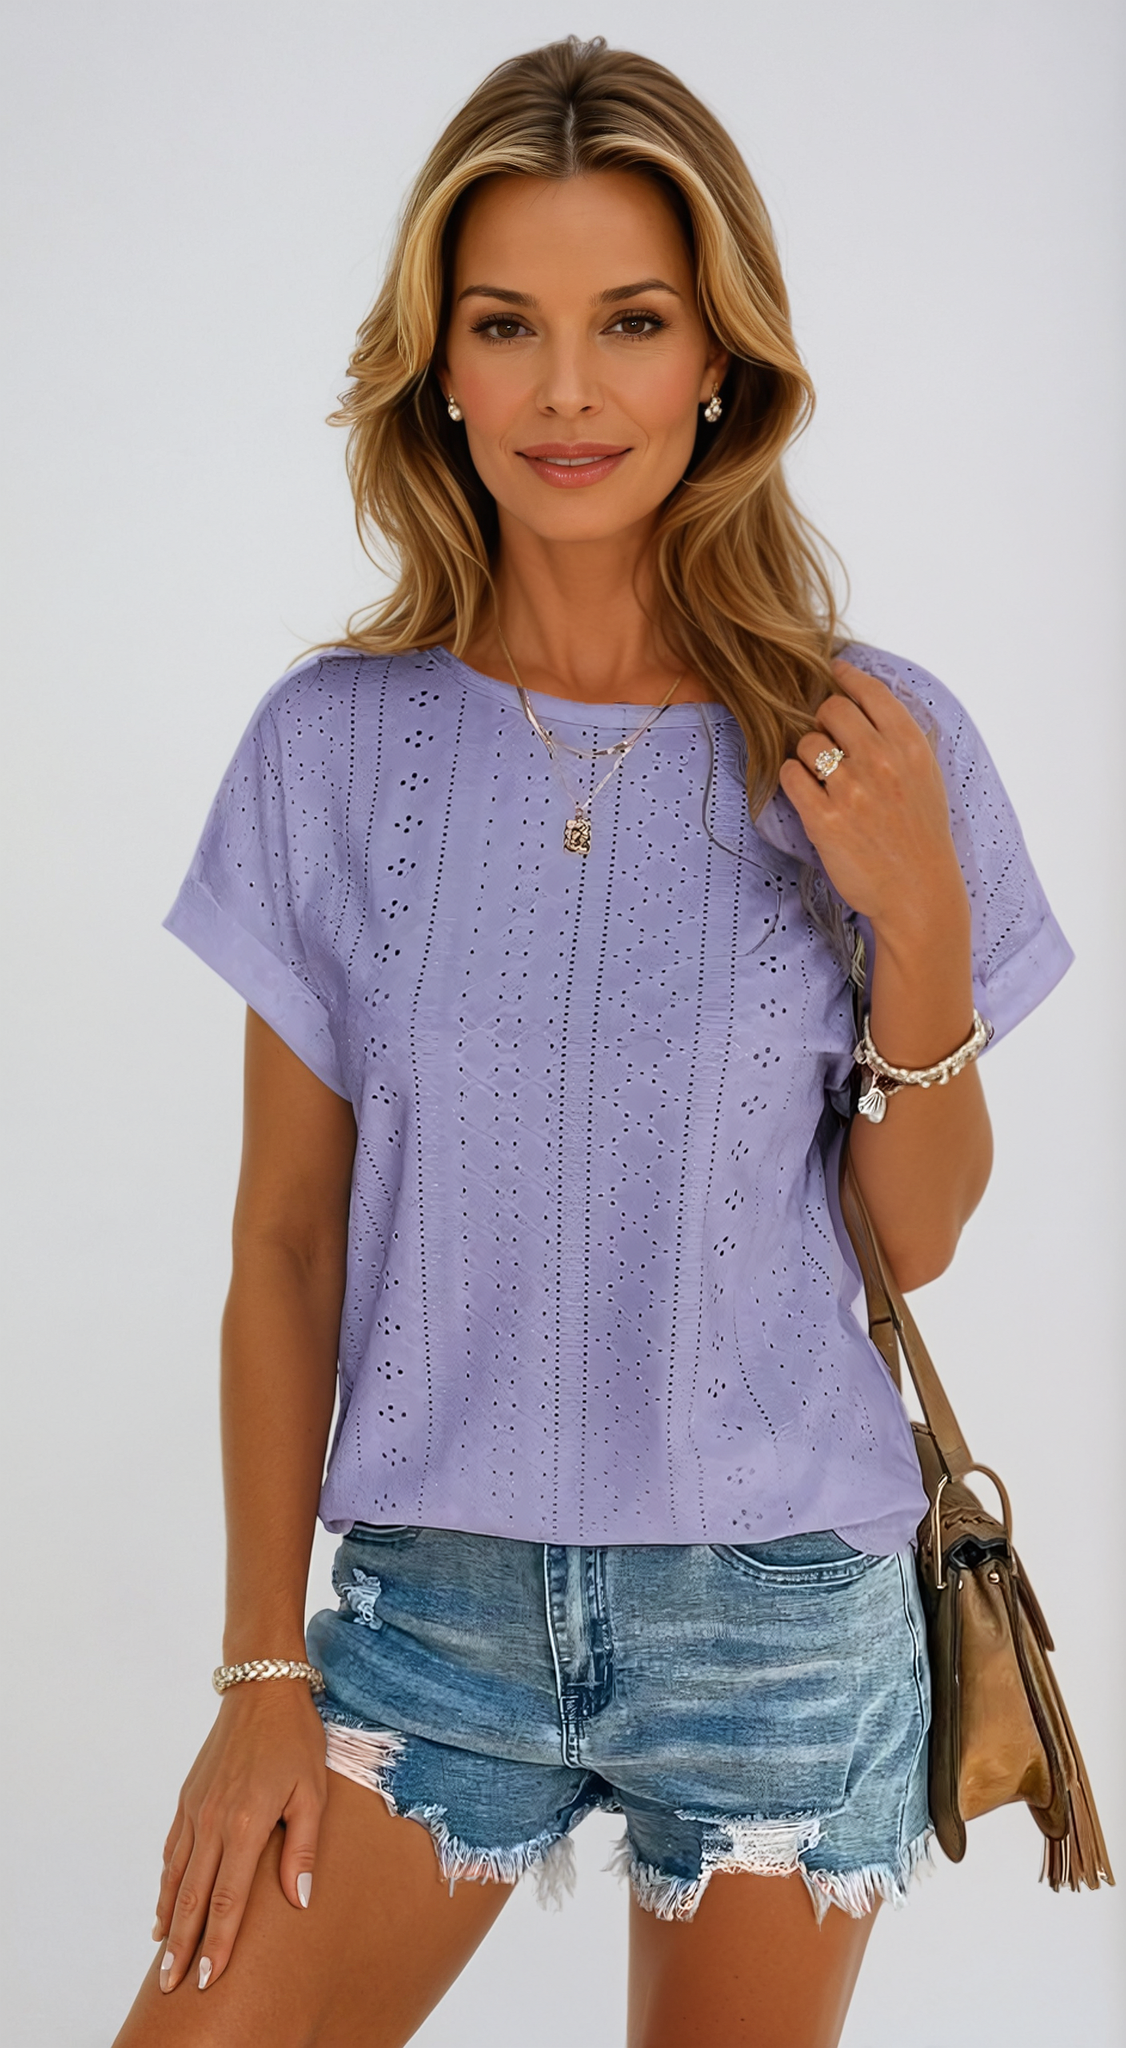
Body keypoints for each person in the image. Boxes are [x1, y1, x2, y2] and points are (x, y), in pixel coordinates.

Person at [114, 36, 1072, 2048]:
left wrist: (916, 920)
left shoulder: (873, 737)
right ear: (439, 369)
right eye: (507, 325)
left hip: (777, 1618)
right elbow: (283, 1242)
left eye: (629, 322)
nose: (567, 390)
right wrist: (260, 1673)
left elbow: (914, 1236)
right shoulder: (330, 748)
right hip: (428, 1618)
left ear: (716, 357)